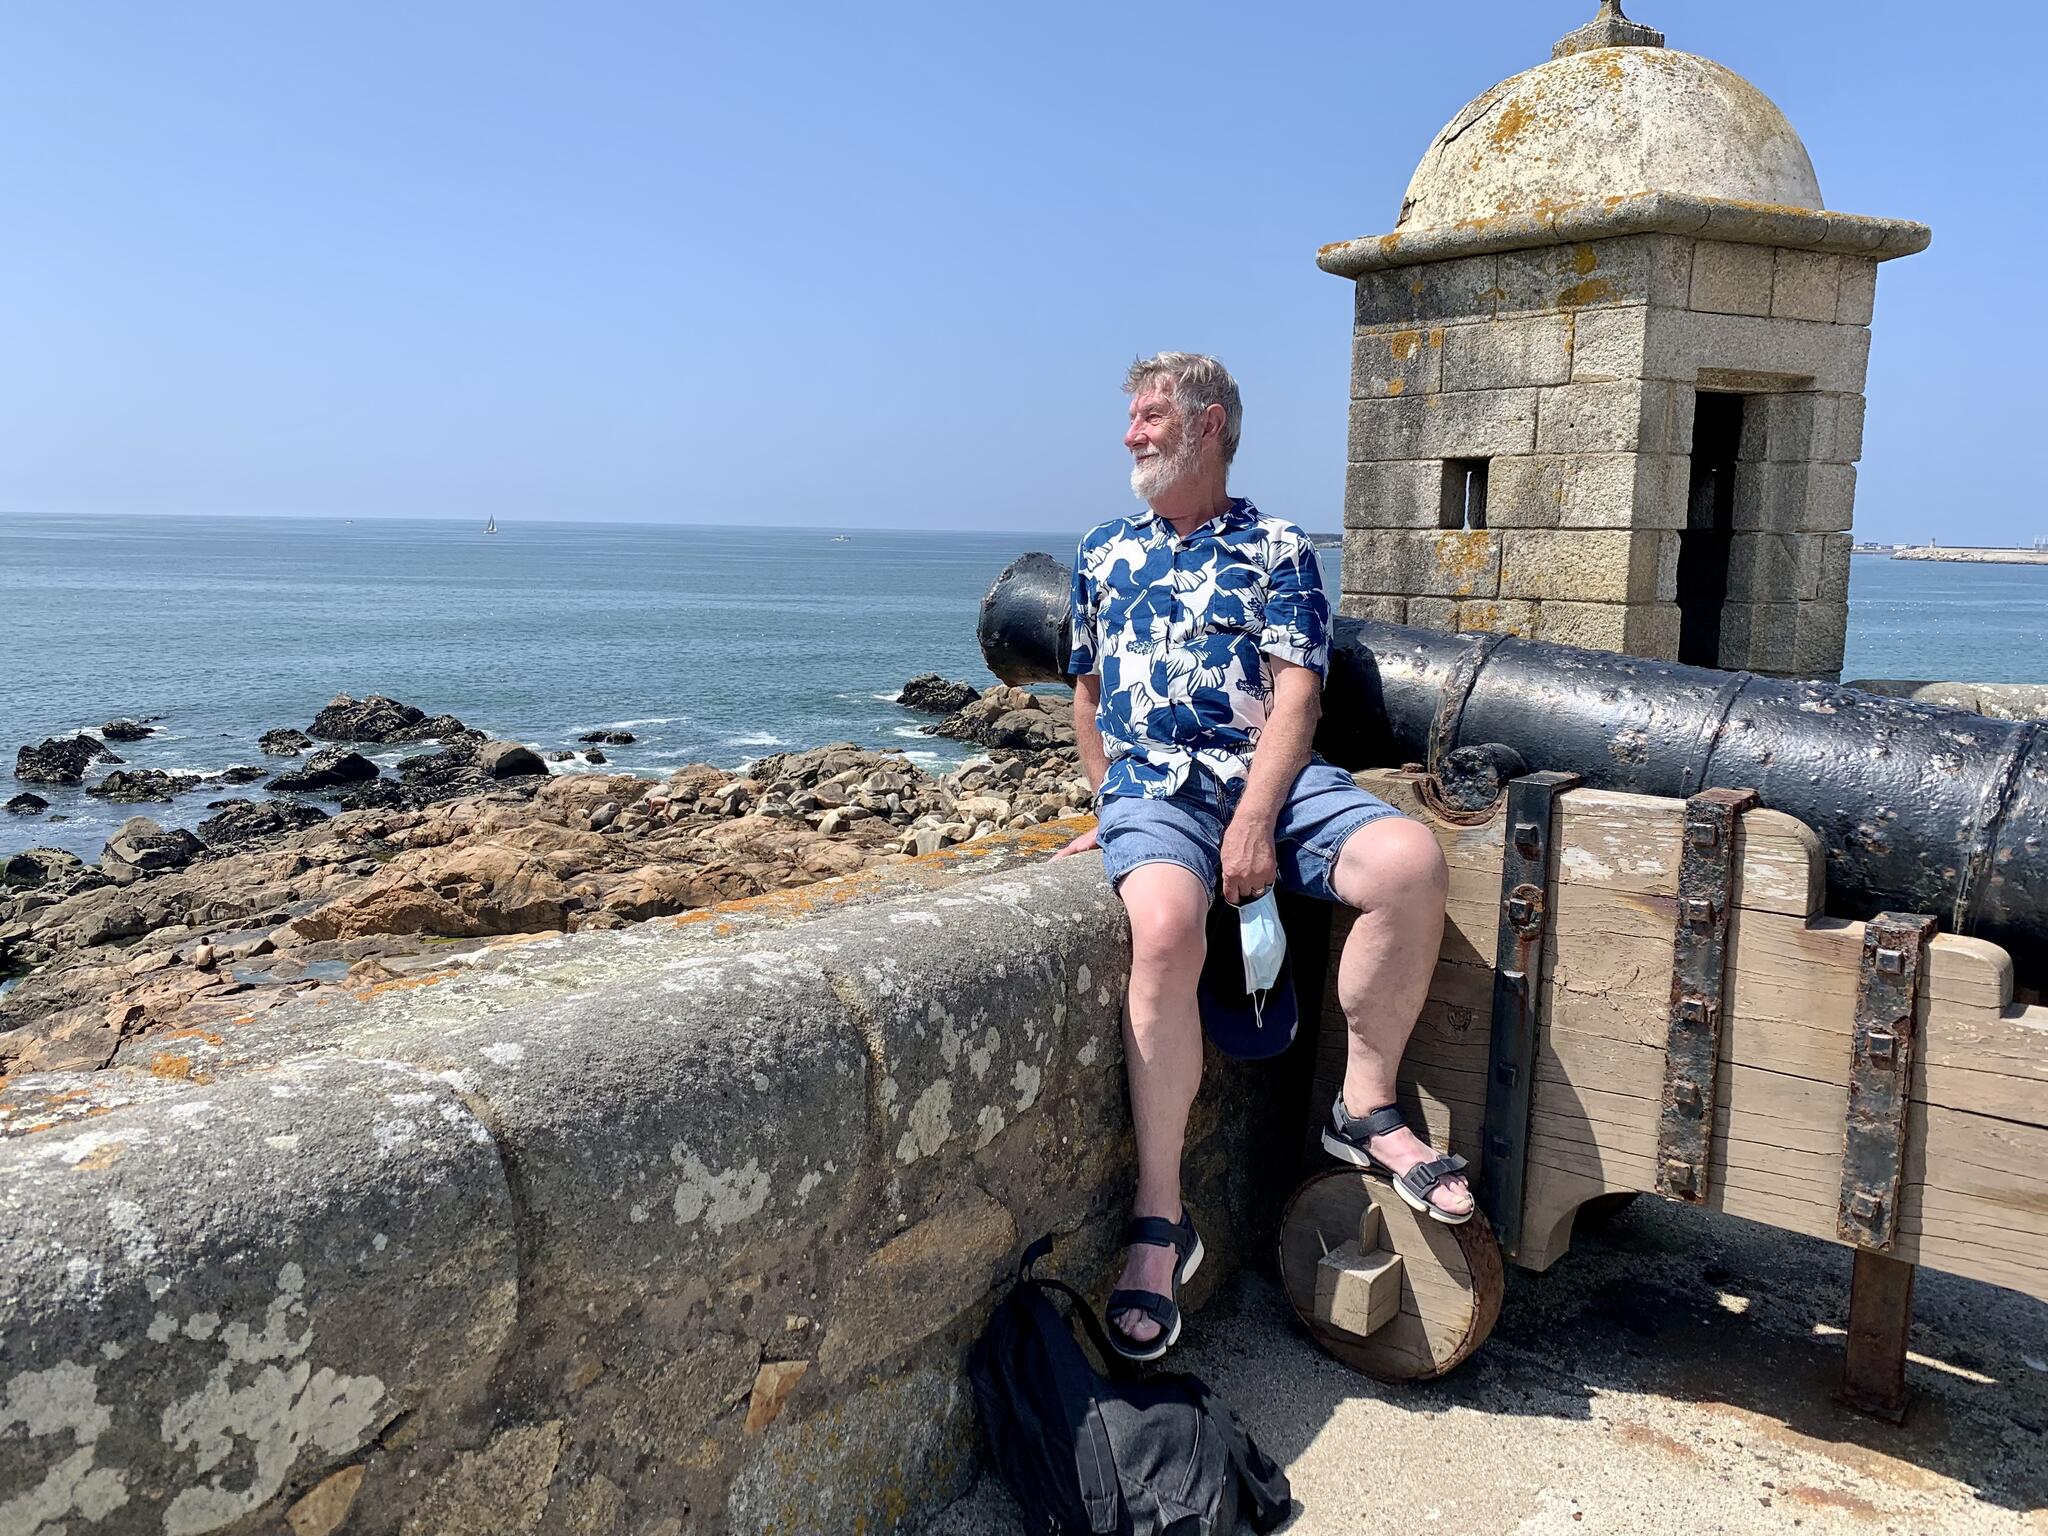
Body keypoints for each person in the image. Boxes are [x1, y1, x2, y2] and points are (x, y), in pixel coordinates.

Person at [1053, 352, 1467, 1362]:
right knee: (1162, 927)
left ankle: (1362, 1107)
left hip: (1265, 780)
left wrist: (1252, 819)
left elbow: (1295, 698)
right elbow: (1087, 693)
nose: (1129, 436)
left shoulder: (1276, 548)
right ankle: (1161, 1218)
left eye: (1148, 417)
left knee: (1406, 862)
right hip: (1151, 790)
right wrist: (1107, 799)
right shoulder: (1103, 552)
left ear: (1205, 428)